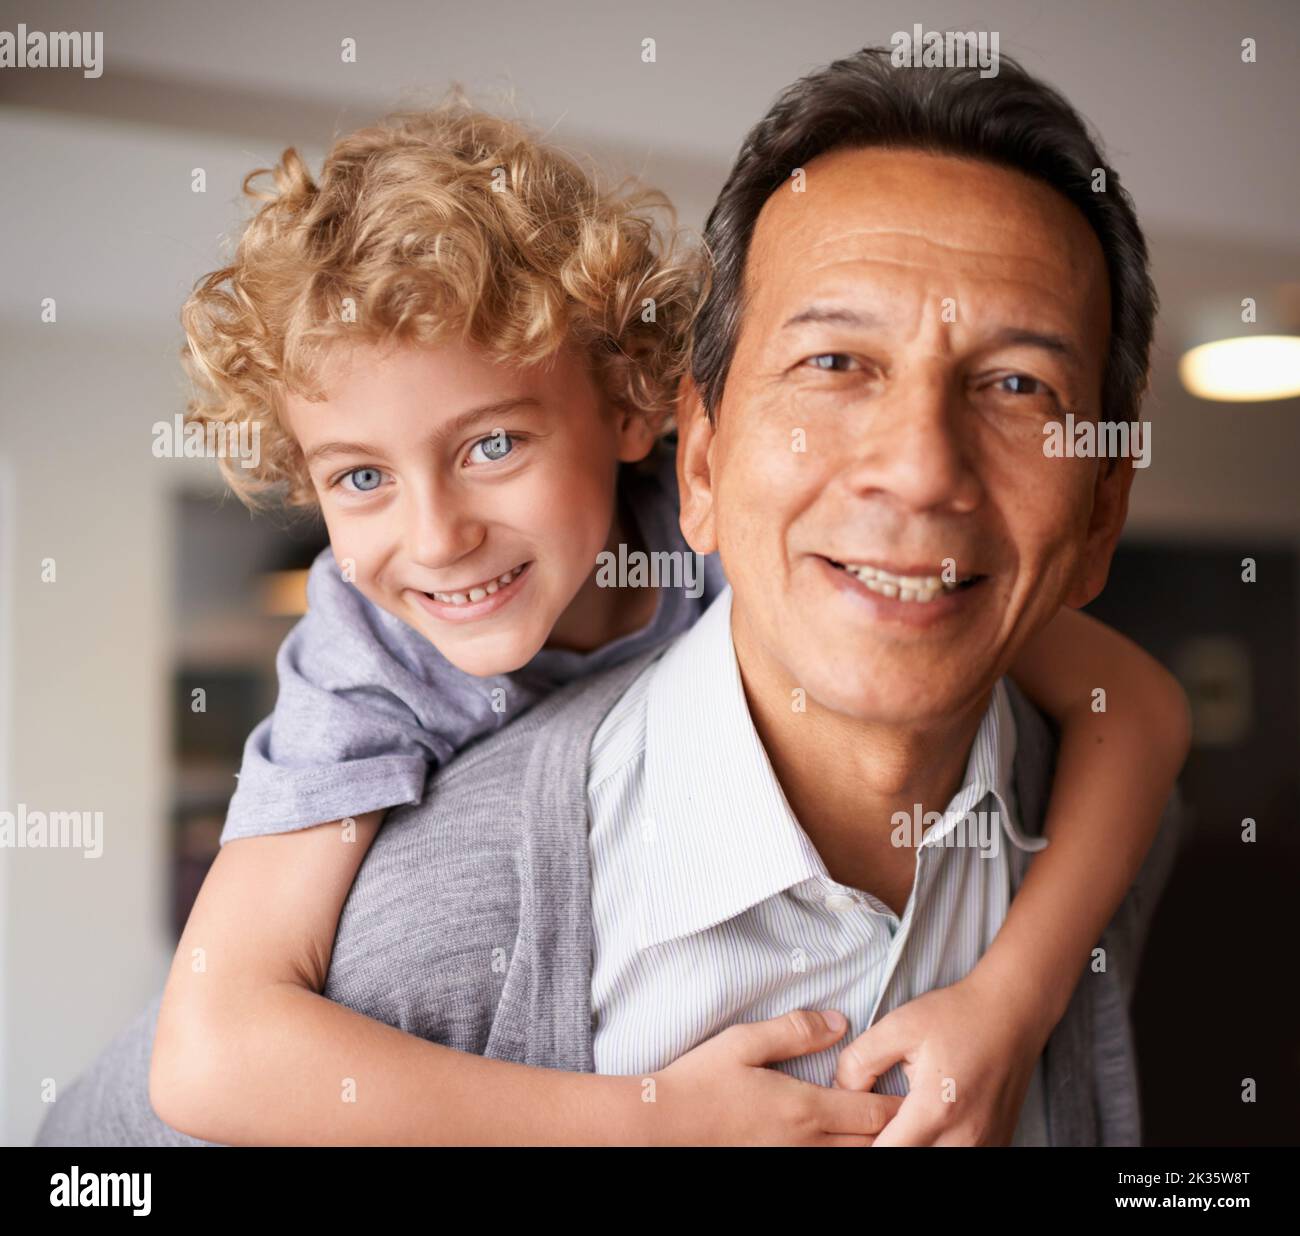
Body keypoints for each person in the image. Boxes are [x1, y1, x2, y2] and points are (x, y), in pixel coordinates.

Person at [37, 48, 1185, 1148]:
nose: (436, 537)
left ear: (642, 415)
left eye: (492, 445)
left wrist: (1012, 999)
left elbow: (1134, 705)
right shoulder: (366, 660)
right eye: (360, 478)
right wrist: (648, 1119)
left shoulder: (737, 530)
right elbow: (209, 1051)